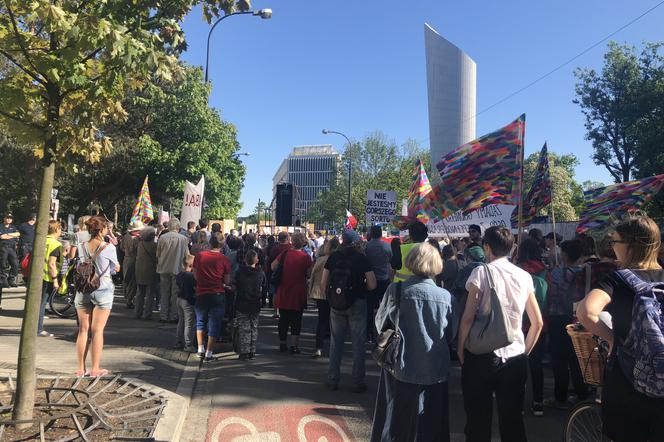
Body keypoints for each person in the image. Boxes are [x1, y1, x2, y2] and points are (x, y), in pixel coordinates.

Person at [577, 214, 664, 442]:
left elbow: (586, 312)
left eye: (614, 242)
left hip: (627, 384)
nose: (612, 247)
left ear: (630, 245)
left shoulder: (617, 279)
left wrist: (613, 339)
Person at [457, 226, 543, 442]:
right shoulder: (524, 276)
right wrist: (525, 353)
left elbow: (468, 317)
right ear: (512, 247)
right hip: (514, 355)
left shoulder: (480, 272)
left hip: (481, 354)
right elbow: (537, 323)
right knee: (512, 419)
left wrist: (460, 347)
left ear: (487, 247)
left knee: (477, 418)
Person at [371, 243, 455, 442]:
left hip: (401, 362)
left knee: (396, 421)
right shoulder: (446, 297)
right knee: (431, 422)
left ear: (410, 262)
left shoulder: (396, 290)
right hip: (435, 365)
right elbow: (452, 332)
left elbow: (380, 323)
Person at [322, 229, 377, 392]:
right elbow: (372, 284)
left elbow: (323, 283)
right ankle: (358, 381)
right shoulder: (362, 259)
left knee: (335, 343)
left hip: (336, 304)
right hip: (357, 303)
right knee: (358, 343)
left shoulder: (333, 257)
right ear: (355, 243)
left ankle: (333, 379)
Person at [75, 216, 120, 377]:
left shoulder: (81, 245)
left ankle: (80, 368)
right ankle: (95, 368)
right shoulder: (108, 247)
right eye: (106, 228)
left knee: (83, 330)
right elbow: (115, 269)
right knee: (98, 330)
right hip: (103, 288)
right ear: (101, 230)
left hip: (83, 288)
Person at [547, 239, 589, 408]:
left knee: (559, 360)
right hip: (579, 319)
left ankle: (560, 397)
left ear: (564, 254)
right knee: (577, 358)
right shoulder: (586, 272)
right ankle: (582, 395)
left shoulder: (556, 273)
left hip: (558, 318)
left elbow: (550, 295)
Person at [516, 238, 549, 416]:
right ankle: (538, 402)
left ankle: (518, 402)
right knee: (536, 365)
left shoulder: (516, 271)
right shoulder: (545, 272)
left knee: (517, 365)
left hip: (517, 325)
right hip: (539, 324)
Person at [271, 232, 312, 354]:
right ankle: (294, 346)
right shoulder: (306, 257)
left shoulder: (285, 254)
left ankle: (282, 343)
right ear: (303, 242)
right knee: (296, 320)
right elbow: (309, 274)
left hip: (284, 289)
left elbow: (273, 266)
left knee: (283, 319)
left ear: (292, 241)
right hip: (298, 291)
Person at [193, 233, 232, 361]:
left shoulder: (199, 256)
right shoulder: (224, 259)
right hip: (217, 293)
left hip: (201, 292)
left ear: (210, 242)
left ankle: (200, 349)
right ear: (222, 244)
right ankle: (209, 353)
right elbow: (226, 280)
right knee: (214, 323)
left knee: (200, 321)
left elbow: (195, 274)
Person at [308, 236, 340, 358]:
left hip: (320, 293)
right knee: (335, 321)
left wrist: (310, 292)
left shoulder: (320, 260)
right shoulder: (339, 260)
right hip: (336, 294)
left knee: (321, 320)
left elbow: (312, 277)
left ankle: (318, 348)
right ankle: (334, 348)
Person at [156, 218, 190, 323]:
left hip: (164, 267)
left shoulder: (162, 237)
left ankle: (163, 315)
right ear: (178, 227)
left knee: (164, 292)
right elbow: (186, 255)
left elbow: (158, 254)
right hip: (178, 268)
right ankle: (174, 316)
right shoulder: (183, 239)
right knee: (175, 293)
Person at [234, 249, 265, 360]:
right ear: (256, 260)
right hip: (255, 302)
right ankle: (252, 350)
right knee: (254, 327)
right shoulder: (260, 273)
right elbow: (264, 287)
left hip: (242, 302)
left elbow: (234, 284)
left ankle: (244, 351)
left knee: (244, 328)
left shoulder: (239, 272)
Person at [365, 225, 392, 342]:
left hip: (370, 280)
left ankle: (369, 333)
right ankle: (384, 332)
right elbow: (391, 259)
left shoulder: (367, 246)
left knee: (369, 308)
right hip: (384, 280)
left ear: (371, 234)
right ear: (381, 234)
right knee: (385, 307)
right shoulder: (386, 246)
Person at [38, 220, 64, 337]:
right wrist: (55, 279)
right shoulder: (56, 244)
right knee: (42, 304)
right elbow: (52, 263)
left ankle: (35, 327)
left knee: (37, 303)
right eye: (60, 228)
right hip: (47, 276)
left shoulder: (41, 240)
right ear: (56, 229)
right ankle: (38, 329)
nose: (61, 231)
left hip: (37, 275)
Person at [135, 226, 158, 320]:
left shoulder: (140, 244)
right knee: (150, 293)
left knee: (140, 292)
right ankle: (147, 314)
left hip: (139, 269)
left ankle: (137, 312)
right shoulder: (155, 245)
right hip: (151, 270)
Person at [175, 254, 196, 353]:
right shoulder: (191, 276)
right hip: (187, 300)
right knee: (189, 323)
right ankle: (188, 344)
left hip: (179, 298)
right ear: (191, 265)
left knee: (181, 321)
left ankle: (179, 341)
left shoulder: (179, 274)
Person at [121, 220, 143, 309]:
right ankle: (129, 300)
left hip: (126, 259)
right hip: (134, 260)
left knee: (126, 280)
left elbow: (121, 247)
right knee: (133, 281)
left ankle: (127, 297)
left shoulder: (125, 236)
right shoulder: (137, 239)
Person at [268, 232, 291, 316]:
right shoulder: (290, 247)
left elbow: (270, 260)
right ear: (287, 238)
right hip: (288, 272)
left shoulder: (275, 248)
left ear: (279, 238)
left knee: (275, 292)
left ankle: (276, 311)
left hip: (276, 272)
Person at [0, 213, 20, 287]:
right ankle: (3, 280)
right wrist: (12, 235)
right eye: (7, 217)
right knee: (3, 265)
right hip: (3, 247)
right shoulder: (1, 226)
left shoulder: (13, 227)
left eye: (10, 218)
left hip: (12, 248)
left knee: (15, 264)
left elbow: (18, 234)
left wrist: (7, 235)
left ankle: (11, 279)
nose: (9, 219)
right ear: (4, 218)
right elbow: (2, 237)